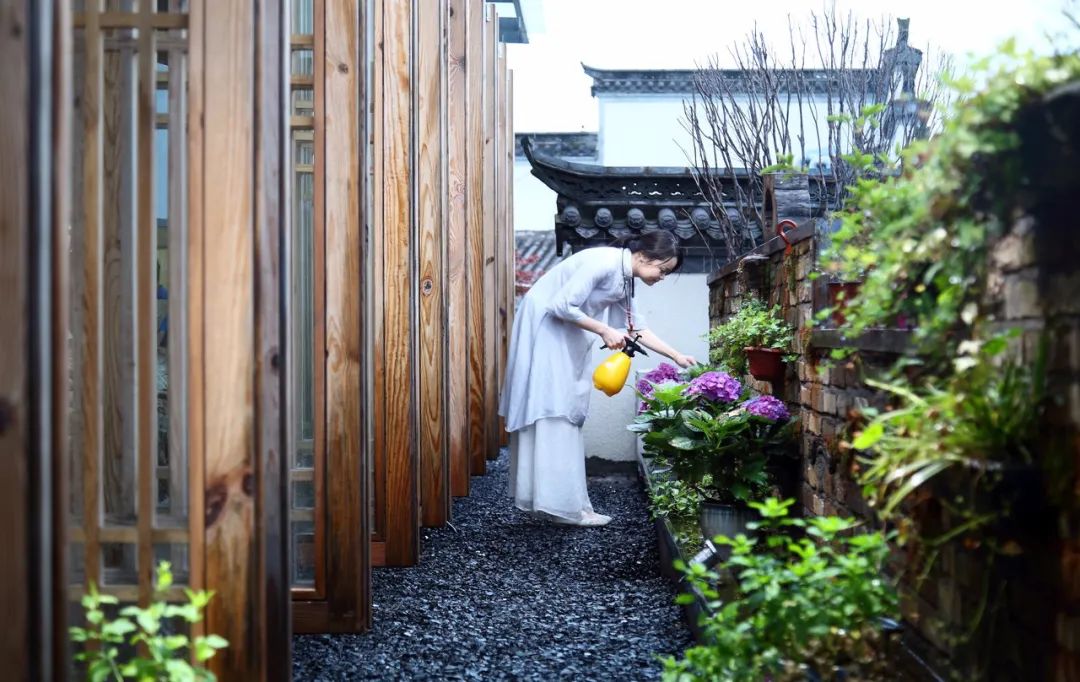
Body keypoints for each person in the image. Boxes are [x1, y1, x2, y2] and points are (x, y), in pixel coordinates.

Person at [498, 231, 697, 527]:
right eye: (663, 270)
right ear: (643, 256)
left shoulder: (625, 277)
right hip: (546, 332)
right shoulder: (604, 262)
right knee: (555, 408)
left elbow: (635, 327)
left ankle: (565, 504)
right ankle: (563, 506)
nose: (662, 277)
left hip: (563, 334)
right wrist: (604, 330)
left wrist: (676, 356)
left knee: (565, 410)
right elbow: (561, 305)